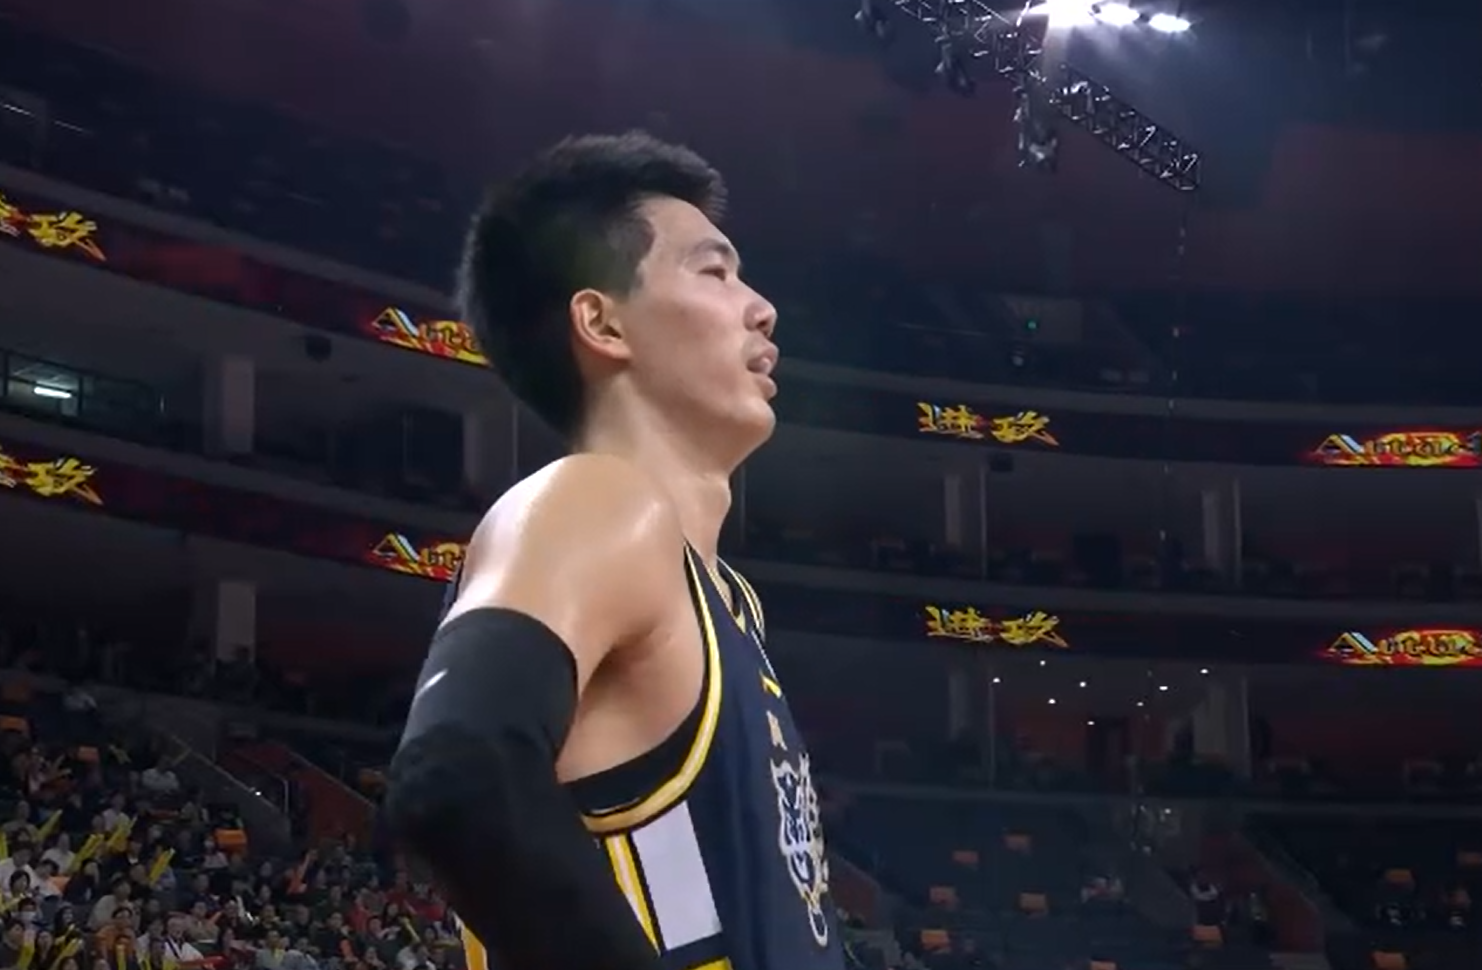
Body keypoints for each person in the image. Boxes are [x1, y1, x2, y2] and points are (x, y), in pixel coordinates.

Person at [383, 132, 839, 970]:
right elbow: (456, 771)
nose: (761, 307)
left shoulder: (730, 602)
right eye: (715, 272)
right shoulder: (598, 500)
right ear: (602, 322)